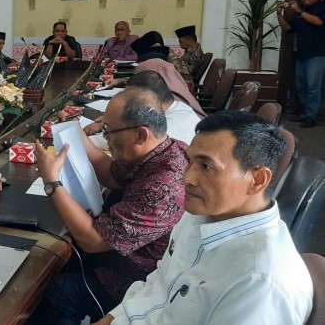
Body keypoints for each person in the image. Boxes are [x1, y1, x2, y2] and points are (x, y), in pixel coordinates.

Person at [93, 111, 313, 325]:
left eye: (206, 167)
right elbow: (160, 280)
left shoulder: (259, 282)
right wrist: (111, 318)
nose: (186, 178)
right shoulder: (200, 215)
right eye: (190, 161)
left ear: (257, 180)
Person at [28, 88, 188, 325]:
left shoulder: (163, 185)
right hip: (121, 256)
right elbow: (112, 175)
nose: (105, 138)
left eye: (109, 131)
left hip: (135, 284)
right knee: (63, 259)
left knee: (56, 289)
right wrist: (76, 134)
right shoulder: (163, 150)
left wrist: (52, 181)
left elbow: (93, 241)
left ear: (140, 134)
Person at [83, 70, 201, 147]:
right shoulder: (178, 107)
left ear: (151, 99)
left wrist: (81, 139)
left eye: (131, 99)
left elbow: (122, 140)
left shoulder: (166, 128)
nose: (128, 104)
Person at [277, 0, 325, 128]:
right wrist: (278, 13)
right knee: (301, 87)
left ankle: (311, 116)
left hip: (316, 54)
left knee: (313, 87)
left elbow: (318, 22)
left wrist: (299, 11)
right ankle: (305, 114)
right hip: (301, 54)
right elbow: (287, 28)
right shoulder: (302, 12)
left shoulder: (321, 8)